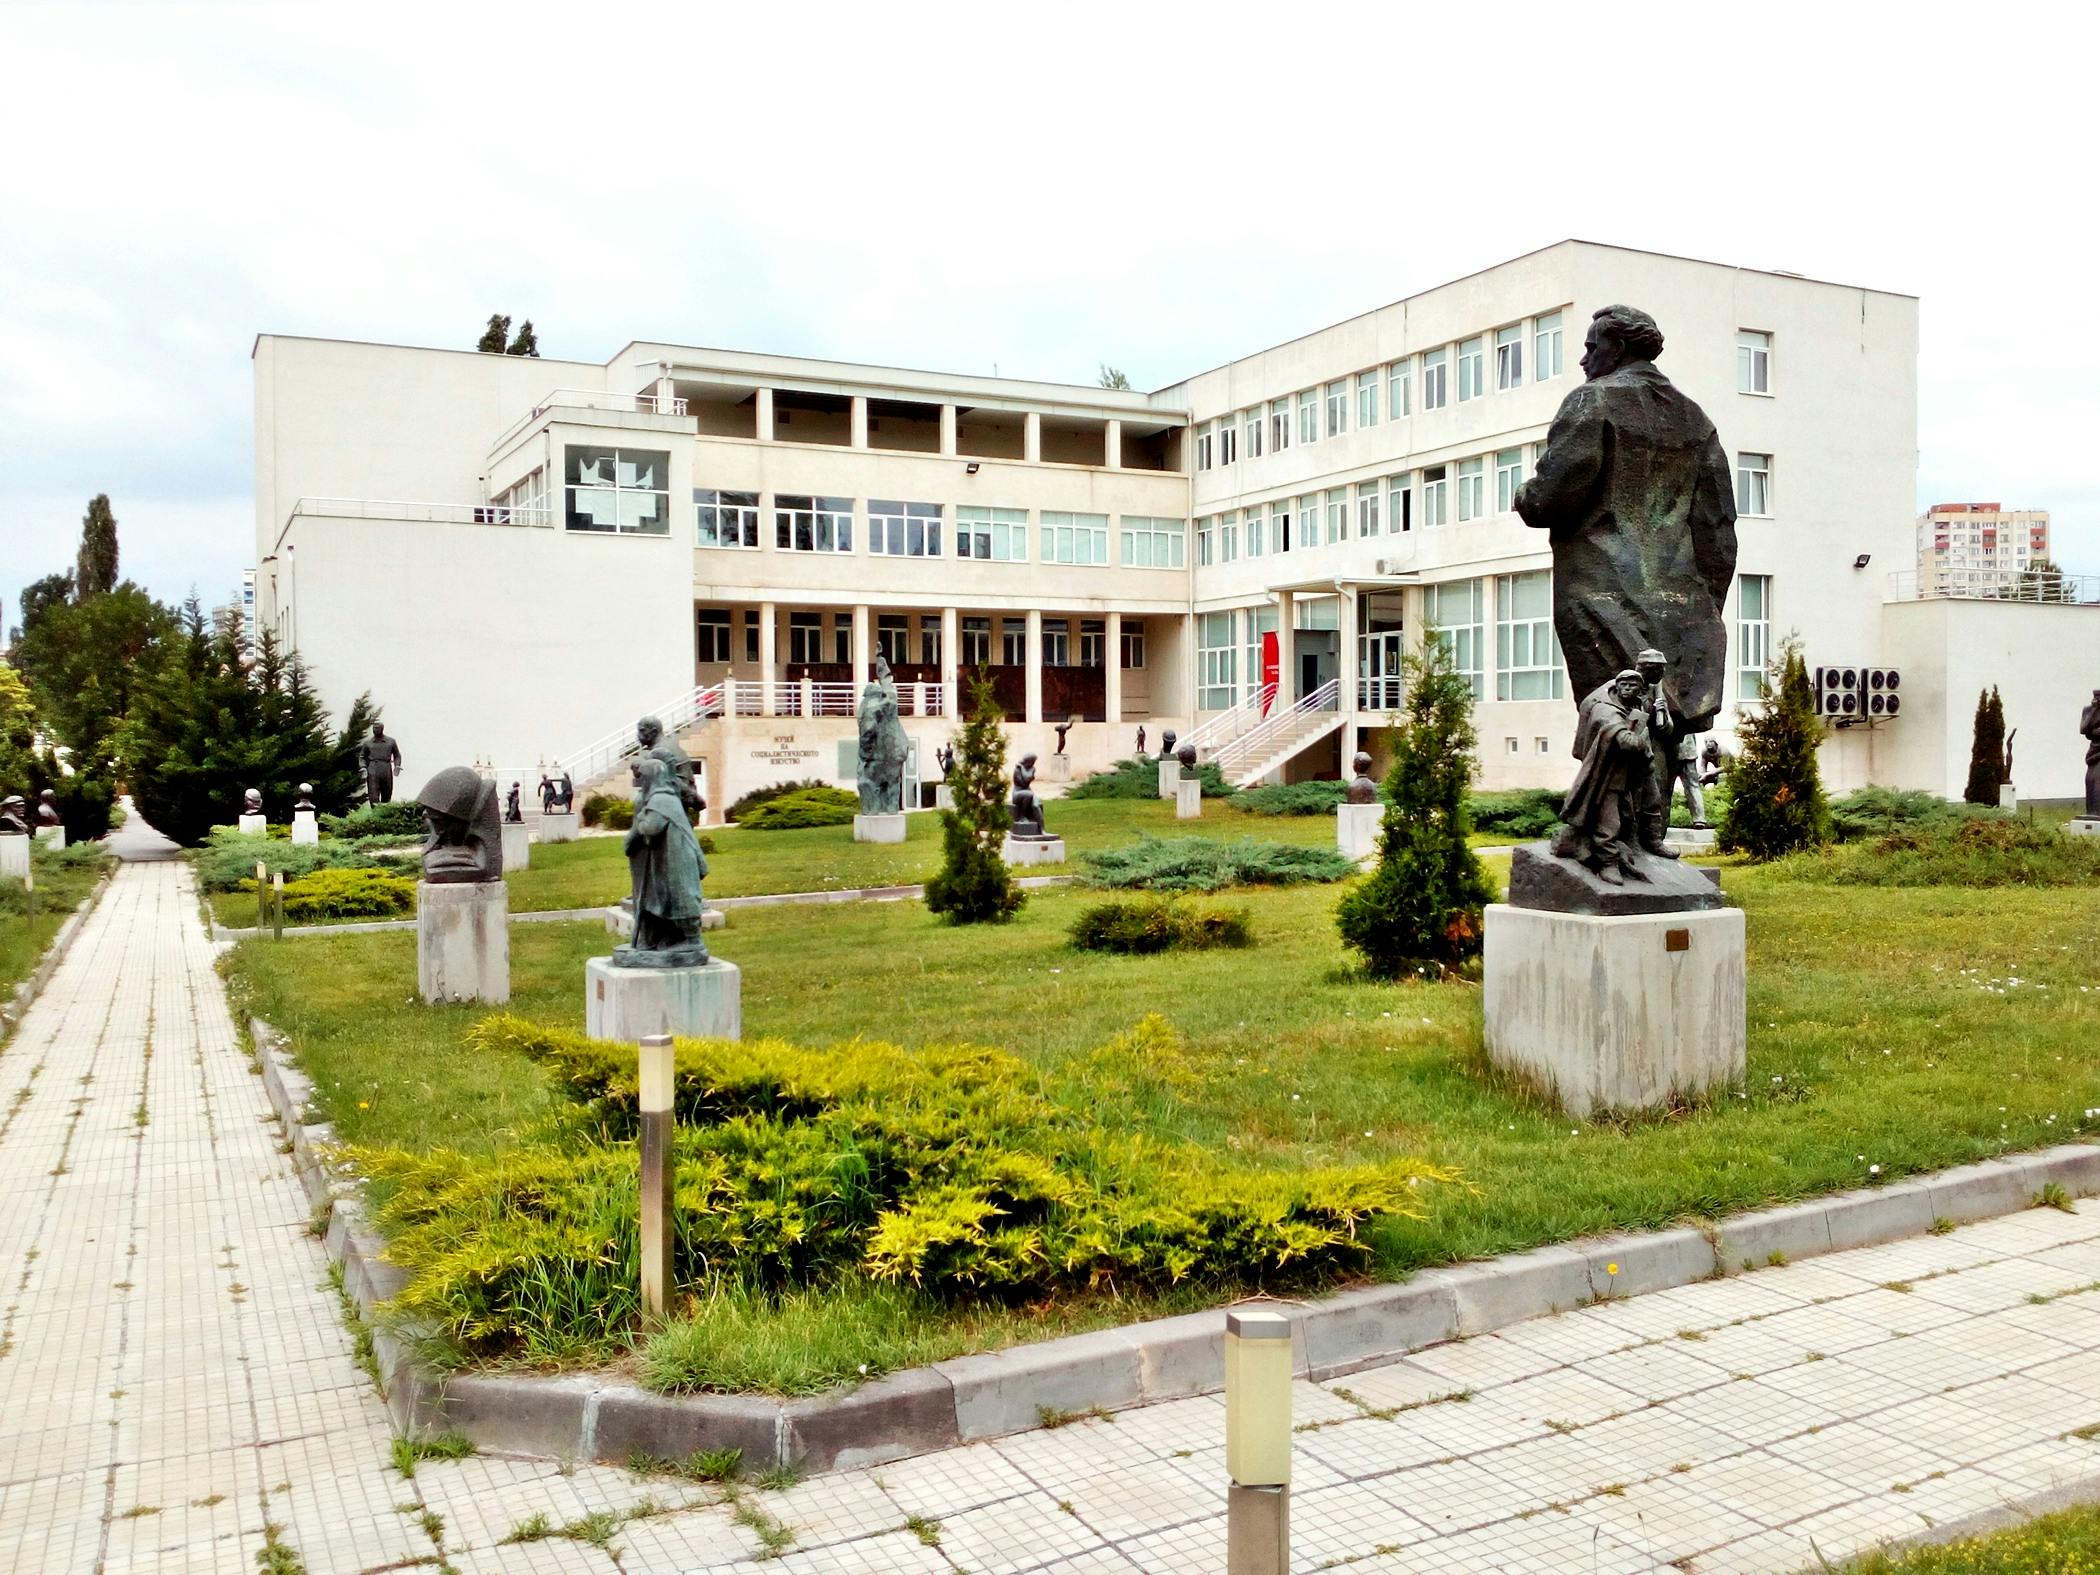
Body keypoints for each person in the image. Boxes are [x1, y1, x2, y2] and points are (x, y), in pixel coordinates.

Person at [1516, 305, 1738, 737]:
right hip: (1682, 612)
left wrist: (1525, 495)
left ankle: (1615, 808)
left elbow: (1551, 499)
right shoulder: (1696, 419)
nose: (1584, 360)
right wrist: (1704, 607)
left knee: (1615, 730)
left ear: (1616, 348)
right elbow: (1719, 533)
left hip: (1601, 600)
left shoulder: (1593, 400)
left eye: (1590, 347)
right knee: (1660, 740)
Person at [1553, 671, 1655, 884]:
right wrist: (1642, 738)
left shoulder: (1633, 708)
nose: (1627, 688)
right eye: (1623, 684)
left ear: (1640, 689)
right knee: (1609, 823)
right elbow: (1627, 741)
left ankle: (1622, 856)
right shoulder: (1605, 710)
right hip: (1604, 778)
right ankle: (1608, 863)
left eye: (1632, 685)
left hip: (1624, 778)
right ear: (1616, 686)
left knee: (1628, 819)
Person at [617, 755, 707, 963]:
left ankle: (692, 941)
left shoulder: (661, 799)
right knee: (667, 897)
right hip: (669, 858)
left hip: (678, 859)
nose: (641, 784)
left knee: (680, 895)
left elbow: (652, 827)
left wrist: (640, 820)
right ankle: (669, 938)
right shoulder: (665, 797)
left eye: (643, 780)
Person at [359, 723, 403, 805]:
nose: (374, 730)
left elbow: (397, 755)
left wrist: (397, 766)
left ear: (382, 729)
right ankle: (374, 813)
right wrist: (363, 767)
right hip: (373, 769)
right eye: (374, 728)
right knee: (373, 795)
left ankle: (384, 813)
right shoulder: (368, 743)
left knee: (387, 793)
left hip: (386, 768)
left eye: (377, 728)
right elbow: (362, 757)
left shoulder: (391, 741)